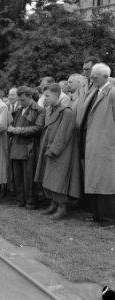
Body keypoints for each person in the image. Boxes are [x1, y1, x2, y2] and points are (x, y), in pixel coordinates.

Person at [34, 83, 80, 220]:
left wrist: (54, 150)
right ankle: (53, 204)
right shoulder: (48, 110)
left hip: (61, 152)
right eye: (44, 95)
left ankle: (62, 207)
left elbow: (63, 134)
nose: (44, 98)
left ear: (57, 95)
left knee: (59, 180)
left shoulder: (67, 111)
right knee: (48, 178)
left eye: (47, 96)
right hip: (47, 148)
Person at [79, 63, 115, 224]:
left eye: (95, 77)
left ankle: (108, 218)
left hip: (105, 145)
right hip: (93, 144)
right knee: (95, 180)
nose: (92, 79)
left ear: (106, 77)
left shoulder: (112, 93)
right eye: (91, 76)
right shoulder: (95, 92)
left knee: (105, 181)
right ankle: (97, 215)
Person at [8, 86, 45, 209]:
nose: (20, 102)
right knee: (17, 176)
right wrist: (10, 128)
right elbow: (11, 124)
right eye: (19, 100)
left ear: (30, 97)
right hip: (16, 147)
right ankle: (20, 199)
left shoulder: (39, 110)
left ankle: (30, 201)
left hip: (30, 148)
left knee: (29, 177)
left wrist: (19, 130)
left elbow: (38, 128)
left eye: (23, 100)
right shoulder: (18, 110)